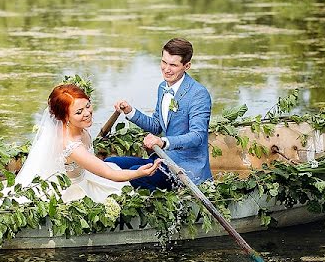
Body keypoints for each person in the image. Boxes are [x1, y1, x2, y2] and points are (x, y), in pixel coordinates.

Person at [14, 83, 161, 203]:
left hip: (88, 175)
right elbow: (109, 173)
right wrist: (139, 173)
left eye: (88, 106)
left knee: (118, 166)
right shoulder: (71, 146)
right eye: (79, 112)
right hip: (76, 188)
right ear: (65, 118)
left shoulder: (79, 127)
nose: (87, 113)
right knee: (126, 190)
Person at [107, 38, 212, 189]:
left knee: (134, 173)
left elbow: (198, 136)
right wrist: (130, 111)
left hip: (184, 169)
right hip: (162, 159)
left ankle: (148, 206)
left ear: (187, 66)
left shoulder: (198, 94)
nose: (166, 69)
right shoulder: (163, 87)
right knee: (110, 163)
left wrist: (163, 142)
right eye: (164, 62)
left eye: (173, 65)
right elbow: (156, 126)